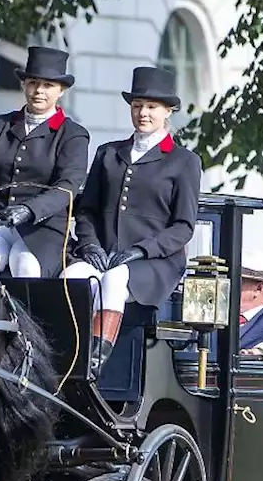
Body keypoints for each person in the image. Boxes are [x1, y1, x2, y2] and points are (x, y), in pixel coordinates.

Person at [64, 66, 201, 372]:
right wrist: (90, 246)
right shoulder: (108, 153)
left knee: (115, 278)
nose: (143, 113)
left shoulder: (184, 161)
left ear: (168, 111)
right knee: (70, 278)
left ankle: (95, 360)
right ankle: (63, 354)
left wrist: (141, 250)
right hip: (106, 253)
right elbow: (87, 210)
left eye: (151, 107)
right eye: (137, 105)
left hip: (154, 262)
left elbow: (183, 227)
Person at [0, 46, 90, 278]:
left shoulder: (72, 135)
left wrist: (29, 210)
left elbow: (66, 188)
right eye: (32, 83)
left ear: (61, 90)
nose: (38, 91)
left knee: (25, 266)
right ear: (24, 85)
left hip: (43, 230)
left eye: (48, 85)